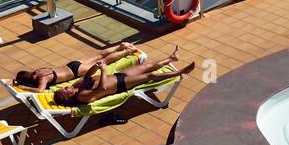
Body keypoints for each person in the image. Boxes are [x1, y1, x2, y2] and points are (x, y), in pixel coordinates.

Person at [52, 46, 194, 107]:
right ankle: (180, 72)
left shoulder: (77, 86)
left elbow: (87, 76)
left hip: (117, 75)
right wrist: (102, 70)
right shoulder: (82, 96)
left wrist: (96, 66)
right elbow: (102, 88)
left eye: (64, 88)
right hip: (121, 85)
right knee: (149, 75)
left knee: (147, 66)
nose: (66, 87)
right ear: (68, 97)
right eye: (65, 90)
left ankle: (172, 58)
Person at [12, 42, 142, 92]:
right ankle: (121, 46)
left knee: (104, 61)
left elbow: (40, 90)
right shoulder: (38, 71)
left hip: (76, 71)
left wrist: (24, 87)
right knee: (99, 55)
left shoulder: (42, 80)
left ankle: (127, 52)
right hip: (71, 64)